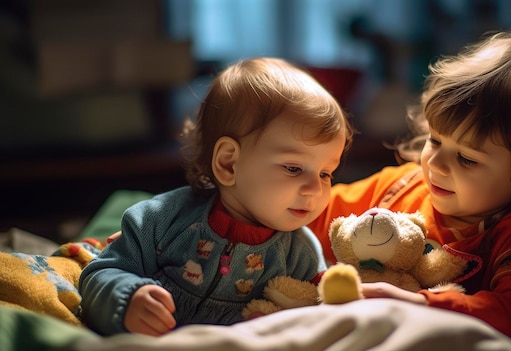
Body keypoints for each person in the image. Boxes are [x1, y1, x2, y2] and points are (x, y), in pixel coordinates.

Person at [307, 27, 511, 351]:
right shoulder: (401, 185)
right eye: (434, 140)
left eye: (466, 159)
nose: (435, 165)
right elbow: (309, 217)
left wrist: (417, 304)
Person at [78, 57, 353, 336]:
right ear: (228, 164)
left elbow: (316, 318)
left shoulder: (300, 255)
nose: (315, 190)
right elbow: (98, 274)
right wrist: (127, 299)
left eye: (325, 173)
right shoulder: (161, 219)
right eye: (293, 168)